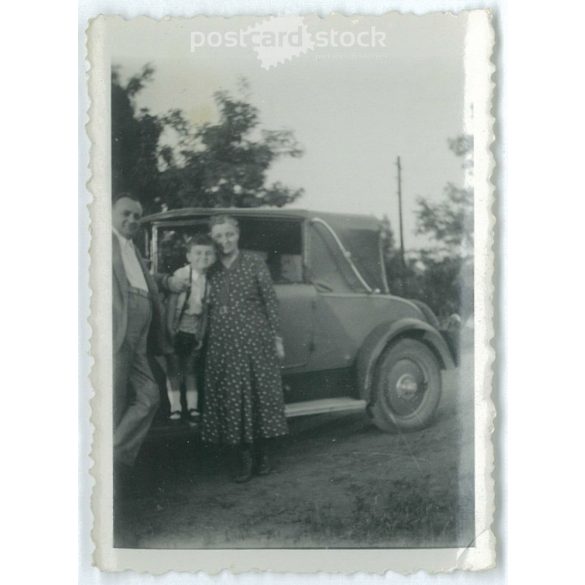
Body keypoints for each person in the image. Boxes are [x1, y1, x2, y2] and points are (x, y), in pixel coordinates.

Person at [202, 215, 288, 483]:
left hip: (255, 340)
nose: (224, 241)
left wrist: (276, 338)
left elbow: (270, 302)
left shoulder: (254, 262)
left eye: (229, 234)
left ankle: (261, 454)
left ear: (237, 235)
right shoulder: (209, 266)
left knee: (257, 395)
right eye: (218, 236)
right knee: (230, 398)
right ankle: (241, 456)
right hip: (222, 343)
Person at [112, 194, 168, 476]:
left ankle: (114, 453)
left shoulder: (132, 248)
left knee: (149, 395)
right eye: (125, 213)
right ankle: (105, 468)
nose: (132, 220)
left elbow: (146, 282)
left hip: (141, 333)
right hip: (117, 330)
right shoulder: (97, 243)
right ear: (110, 213)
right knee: (114, 398)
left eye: (136, 216)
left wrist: (167, 281)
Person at [165, 234, 216, 422]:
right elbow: (171, 304)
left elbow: (205, 312)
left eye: (208, 253)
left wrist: (201, 334)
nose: (203, 257)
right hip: (177, 326)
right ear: (188, 256)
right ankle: (175, 407)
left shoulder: (210, 281)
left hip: (194, 328)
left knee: (190, 368)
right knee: (174, 368)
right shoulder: (181, 275)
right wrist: (169, 328)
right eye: (198, 253)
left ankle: (192, 407)